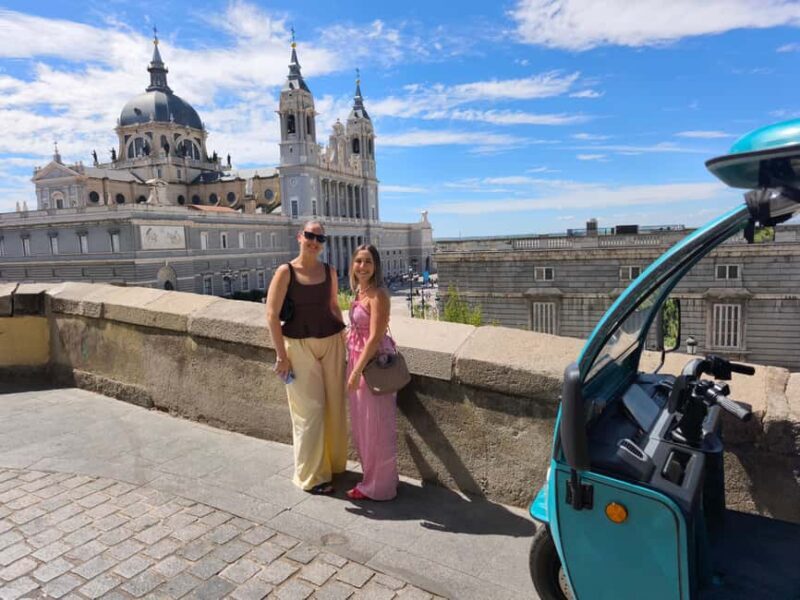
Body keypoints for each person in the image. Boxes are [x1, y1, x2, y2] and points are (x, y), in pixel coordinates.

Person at [266, 221, 347, 495]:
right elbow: (271, 315)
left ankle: (333, 465)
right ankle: (312, 476)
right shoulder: (285, 271)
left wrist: (346, 334)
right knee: (309, 411)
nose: (315, 241)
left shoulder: (330, 271)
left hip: (332, 343)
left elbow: (334, 305)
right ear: (300, 237)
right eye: (310, 235)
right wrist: (280, 355)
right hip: (298, 346)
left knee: (335, 406)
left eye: (320, 237)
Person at [345, 244, 399, 501]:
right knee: (364, 427)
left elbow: (375, 336)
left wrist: (356, 372)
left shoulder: (378, 295)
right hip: (358, 360)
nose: (363, 266)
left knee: (377, 427)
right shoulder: (360, 291)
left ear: (375, 265)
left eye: (368, 261)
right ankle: (374, 478)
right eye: (358, 261)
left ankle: (378, 486)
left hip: (372, 366)